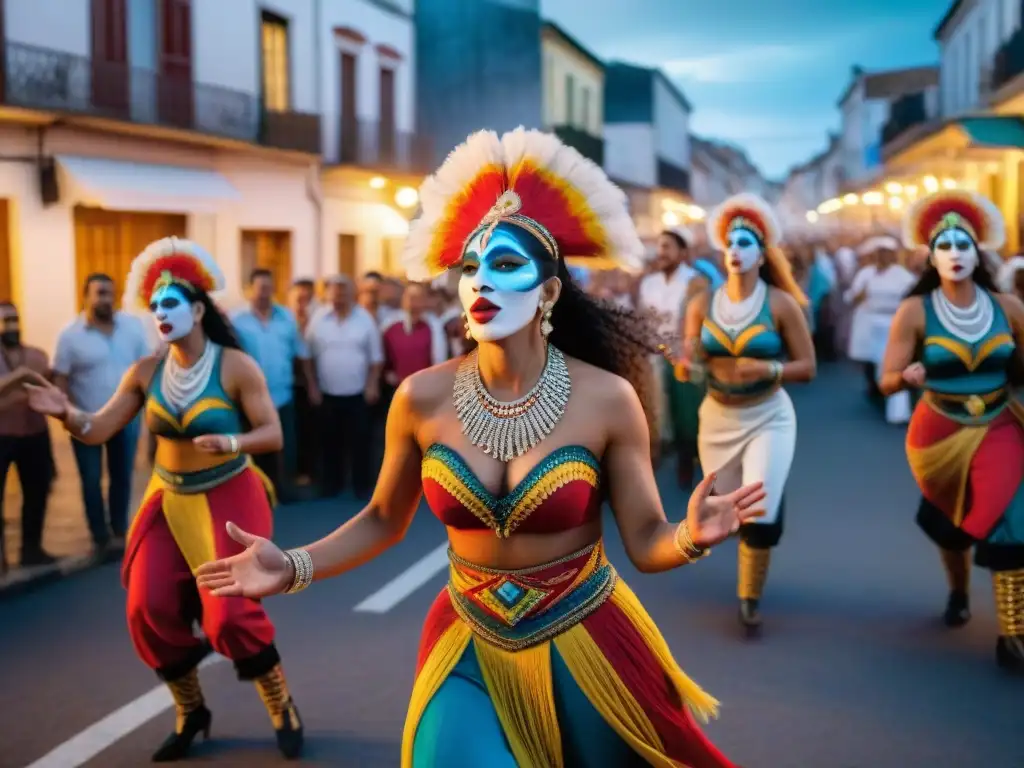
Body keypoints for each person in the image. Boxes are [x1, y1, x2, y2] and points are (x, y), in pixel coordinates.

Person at [196, 128, 767, 767]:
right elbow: (385, 517)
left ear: (549, 292)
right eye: (470, 267)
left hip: (587, 635)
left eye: (503, 265)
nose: (481, 282)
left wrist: (689, 535)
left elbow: (644, 540)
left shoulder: (608, 398)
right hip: (467, 637)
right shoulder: (419, 398)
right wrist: (292, 565)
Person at [25, 237, 304, 760]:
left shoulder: (235, 366)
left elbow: (273, 434)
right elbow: (97, 428)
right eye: (153, 306)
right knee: (146, 607)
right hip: (167, 498)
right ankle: (191, 709)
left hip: (229, 495)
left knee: (229, 617)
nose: (160, 313)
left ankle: (280, 702)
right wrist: (63, 411)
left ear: (198, 310)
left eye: (170, 303)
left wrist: (233, 441)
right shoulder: (145, 372)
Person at [880, 190, 1024, 674]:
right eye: (946, 246)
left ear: (978, 253)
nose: (956, 254)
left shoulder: (1007, 305)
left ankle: (1013, 631)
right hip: (938, 431)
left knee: (1011, 521)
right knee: (951, 527)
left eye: (965, 245)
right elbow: (887, 377)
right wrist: (906, 377)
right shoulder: (915, 311)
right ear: (931, 256)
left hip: (1000, 423)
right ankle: (959, 589)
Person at [677, 193, 816, 634]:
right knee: (729, 508)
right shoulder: (702, 303)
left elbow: (808, 367)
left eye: (745, 243)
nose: (735, 251)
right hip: (717, 416)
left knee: (757, 509)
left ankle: (748, 600)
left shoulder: (780, 304)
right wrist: (685, 364)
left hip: (768, 415)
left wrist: (769, 366)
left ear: (761, 253)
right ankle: (761, 513)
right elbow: (689, 357)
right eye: (729, 244)